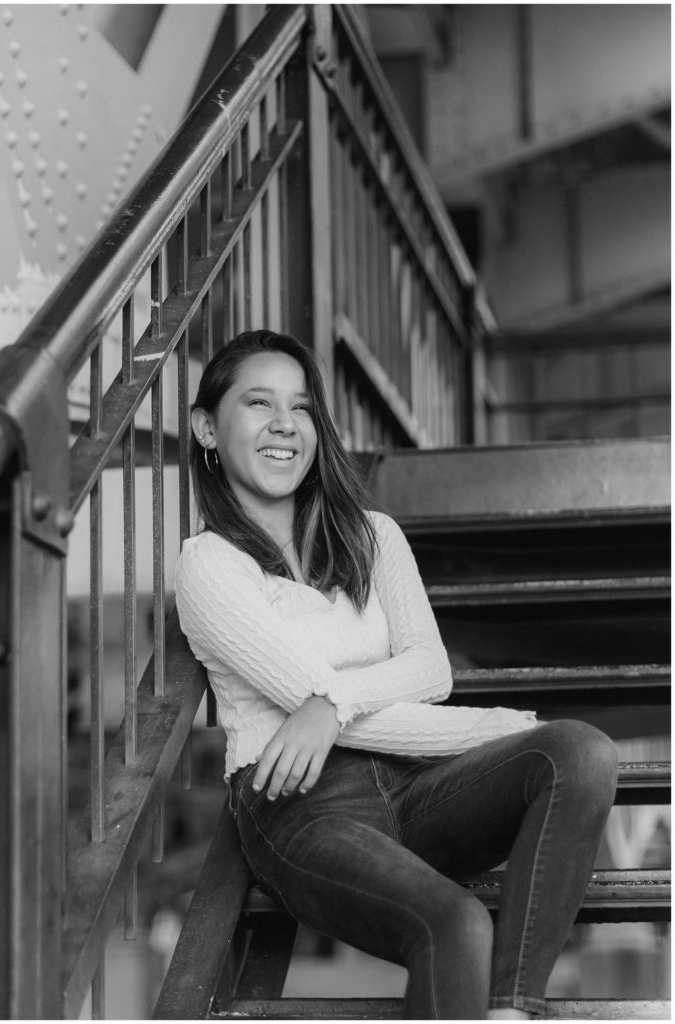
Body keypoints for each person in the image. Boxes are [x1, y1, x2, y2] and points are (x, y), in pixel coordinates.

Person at [175, 329, 619, 1020]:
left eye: (299, 407)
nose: (284, 424)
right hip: (301, 805)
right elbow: (322, 694)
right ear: (207, 427)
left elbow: (429, 668)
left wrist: (332, 702)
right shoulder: (208, 564)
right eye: (257, 403)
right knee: (456, 921)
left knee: (580, 751)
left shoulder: (372, 535)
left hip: (416, 783)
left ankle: (508, 1008)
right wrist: (491, 727)